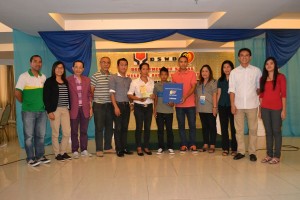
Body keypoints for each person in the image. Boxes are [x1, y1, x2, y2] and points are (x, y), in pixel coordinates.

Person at [15, 55, 51, 167]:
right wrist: (26, 103)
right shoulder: (24, 76)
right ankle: (30, 158)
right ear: (31, 63)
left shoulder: (43, 77)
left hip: (42, 111)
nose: (38, 64)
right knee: (29, 136)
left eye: (40, 62)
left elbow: (45, 94)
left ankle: (40, 156)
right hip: (28, 111)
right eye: (35, 61)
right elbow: (17, 93)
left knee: (40, 135)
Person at [228, 48, 262, 161]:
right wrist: (232, 105)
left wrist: (261, 91)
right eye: (242, 55)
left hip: (253, 104)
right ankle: (241, 151)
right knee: (239, 130)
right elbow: (232, 89)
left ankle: (252, 152)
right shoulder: (234, 72)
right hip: (238, 105)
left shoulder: (257, 71)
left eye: (247, 55)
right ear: (238, 57)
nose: (244, 57)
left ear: (250, 57)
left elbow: (259, 88)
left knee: (253, 129)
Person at [259, 57, 286, 164]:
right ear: (265, 66)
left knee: (276, 131)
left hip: (277, 109)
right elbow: (261, 95)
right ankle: (269, 155)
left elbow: (283, 95)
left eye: (271, 63)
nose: (269, 65)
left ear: (275, 65)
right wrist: (260, 110)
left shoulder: (281, 77)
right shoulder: (262, 78)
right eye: (267, 64)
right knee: (268, 132)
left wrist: (284, 110)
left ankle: (277, 156)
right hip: (265, 109)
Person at [43, 61, 72, 161]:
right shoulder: (49, 81)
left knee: (66, 132)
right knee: (55, 133)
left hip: (65, 109)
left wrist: (69, 108)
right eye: (58, 68)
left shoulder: (66, 81)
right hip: (54, 110)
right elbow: (46, 97)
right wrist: (49, 111)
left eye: (62, 68)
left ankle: (63, 152)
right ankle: (57, 153)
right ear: (54, 69)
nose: (60, 70)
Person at [128, 62, 155, 156]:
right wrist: (139, 98)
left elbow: (154, 95)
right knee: (139, 127)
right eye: (143, 69)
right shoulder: (134, 82)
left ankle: (146, 147)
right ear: (140, 70)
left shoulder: (152, 81)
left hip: (149, 106)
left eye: (147, 69)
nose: (145, 71)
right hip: (138, 106)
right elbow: (130, 94)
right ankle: (139, 147)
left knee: (147, 127)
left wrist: (153, 96)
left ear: (149, 70)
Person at [67, 60, 92, 159]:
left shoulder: (87, 80)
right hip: (73, 109)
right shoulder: (68, 80)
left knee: (84, 130)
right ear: (73, 68)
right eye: (76, 67)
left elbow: (90, 95)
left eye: (80, 67)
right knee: (73, 131)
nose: (78, 69)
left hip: (85, 108)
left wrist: (90, 108)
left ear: (83, 69)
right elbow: (67, 96)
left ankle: (84, 149)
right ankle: (74, 150)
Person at [172, 56, 197, 153]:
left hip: (190, 104)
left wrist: (185, 97)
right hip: (179, 106)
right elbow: (173, 90)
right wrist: (172, 100)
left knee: (192, 125)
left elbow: (193, 87)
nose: (183, 63)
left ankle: (193, 144)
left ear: (187, 63)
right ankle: (183, 144)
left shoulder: (192, 74)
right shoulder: (174, 75)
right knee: (181, 125)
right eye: (181, 62)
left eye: (185, 62)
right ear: (178, 63)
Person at [109, 58, 133, 157]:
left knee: (124, 128)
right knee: (118, 128)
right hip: (117, 105)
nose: (123, 66)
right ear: (118, 66)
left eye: (125, 65)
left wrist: (132, 104)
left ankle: (124, 147)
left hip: (126, 106)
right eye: (121, 65)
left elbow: (130, 93)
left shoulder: (129, 79)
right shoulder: (113, 77)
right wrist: (115, 107)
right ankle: (118, 149)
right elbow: (111, 93)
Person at [91, 57, 114, 157]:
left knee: (109, 127)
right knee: (99, 127)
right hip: (98, 105)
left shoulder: (112, 76)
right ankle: (99, 149)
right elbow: (91, 91)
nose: (106, 64)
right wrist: (91, 105)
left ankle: (108, 147)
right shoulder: (95, 76)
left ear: (110, 64)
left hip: (110, 105)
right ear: (100, 63)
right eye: (104, 62)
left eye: (108, 63)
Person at [217, 60, 237, 156]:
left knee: (233, 128)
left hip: (233, 106)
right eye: (224, 67)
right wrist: (216, 106)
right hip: (222, 106)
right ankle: (225, 148)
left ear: (232, 68)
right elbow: (219, 93)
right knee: (224, 128)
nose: (226, 69)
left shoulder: (236, 79)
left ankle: (234, 148)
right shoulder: (220, 80)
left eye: (228, 67)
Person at [153, 67, 175, 155]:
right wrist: (155, 110)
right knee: (160, 130)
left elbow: (173, 99)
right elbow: (155, 98)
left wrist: (172, 103)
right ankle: (161, 147)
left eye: (165, 74)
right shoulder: (156, 85)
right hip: (159, 111)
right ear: (159, 75)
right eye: (162, 74)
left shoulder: (171, 85)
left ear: (168, 75)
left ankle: (170, 147)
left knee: (169, 130)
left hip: (169, 111)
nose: (164, 76)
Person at [196, 65, 218, 153]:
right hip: (201, 108)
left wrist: (215, 107)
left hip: (210, 108)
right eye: (203, 71)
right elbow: (196, 96)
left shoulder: (213, 82)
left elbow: (215, 95)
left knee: (212, 127)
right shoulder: (198, 83)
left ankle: (212, 145)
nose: (204, 73)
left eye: (206, 71)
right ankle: (205, 144)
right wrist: (196, 107)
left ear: (210, 72)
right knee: (204, 127)